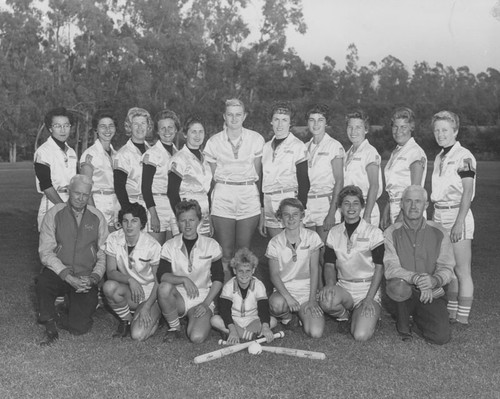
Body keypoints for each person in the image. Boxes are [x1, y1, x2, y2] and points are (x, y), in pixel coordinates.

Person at [36, 174, 108, 345]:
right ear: (69, 191)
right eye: (77, 193)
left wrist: (93, 278)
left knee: (79, 328)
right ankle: (49, 322)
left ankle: (65, 310)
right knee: (43, 282)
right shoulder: (54, 213)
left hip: (84, 278)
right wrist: (67, 276)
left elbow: (103, 254)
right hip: (59, 273)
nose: (81, 199)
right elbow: (45, 252)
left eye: (85, 195)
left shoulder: (97, 217)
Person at [384, 185, 455, 344]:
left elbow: (447, 268)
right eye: (408, 201)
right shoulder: (391, 232)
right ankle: (403, 322)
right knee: (398, 285)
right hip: (404, 290)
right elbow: (391, 268)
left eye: (418, 201)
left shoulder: (440, 232)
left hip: (431, 292)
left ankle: (416, 320)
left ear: (426, 205)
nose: (413, 206)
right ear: (402, 204)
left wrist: (434, 281)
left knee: (440, 337)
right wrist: (416, 278)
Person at [204, 99, 265, 280]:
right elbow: (212, 179)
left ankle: (243, 295)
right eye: (230, 114)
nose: (234, 118)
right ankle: (226, 294)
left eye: (238, 114)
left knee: (244, 250)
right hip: (224, 193)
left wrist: (261, 206)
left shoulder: (256, 139)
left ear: (244, 116)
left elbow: (259, 174)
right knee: (226, 250)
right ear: (224, 116)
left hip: (248, 193)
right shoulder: (214, 141)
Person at [319, 185, 384, 341]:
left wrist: (369, 298)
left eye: (355, 203)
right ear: (340, 207)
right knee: (326, 301)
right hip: (345, 287)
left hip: (367, 288)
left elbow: (380, 268)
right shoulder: (334, 232)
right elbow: (328, 264)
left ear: (362, 206)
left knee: (360, 335)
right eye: (346, 203)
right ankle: (344, 317)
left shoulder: (373, 232)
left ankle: (367, 315)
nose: (351, 207)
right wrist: (329, 284)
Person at [431, 111, 476, 325]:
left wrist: (459, 222)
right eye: (437, 130)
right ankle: (451, 313)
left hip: (458, 213)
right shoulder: (440, 156)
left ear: (455, 131)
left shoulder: (464, 156)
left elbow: (467, 192)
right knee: (448, 268)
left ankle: (463, 318)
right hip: (439, 214)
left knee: (462, 269)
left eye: (445, 130)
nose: (441, 134)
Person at [157, 200, 224, 343]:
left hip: (202, 296)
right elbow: (162, 275)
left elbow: (219, 278)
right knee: (164, 288)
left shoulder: (211, 245)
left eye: (192, 220)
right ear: (177, 222)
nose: (187, 225)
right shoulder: (169, 245)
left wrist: (206, 304)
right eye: (183, 220)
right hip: (178, 295)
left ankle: (196, 319)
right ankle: (174, 327)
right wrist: (183, 279)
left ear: (199, 220)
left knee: (197, 337)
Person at [102, 203, 162, 341]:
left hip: (151, 294)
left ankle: (156, 316)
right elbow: (110, 272)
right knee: (109, 287)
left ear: (142, 224)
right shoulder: (113, 238)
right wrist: (130, 280)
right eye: (125, 221)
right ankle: (127, 320)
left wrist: (147, 306)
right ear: (120, 223)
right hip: (131, 290)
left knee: (138, 335)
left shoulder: (152, 245)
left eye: (134, 221)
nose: (129, 225)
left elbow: (159, 281)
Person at [267, 198, 324, 338]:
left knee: (315, 333)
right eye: (286, 214)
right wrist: (289, 298)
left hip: (306, 290)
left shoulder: (312, 237)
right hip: (284, 291)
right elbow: (274, 275)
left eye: (295, 214)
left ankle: (302, 314)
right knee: (276, 305)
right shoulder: (274, 243)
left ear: (302, 216)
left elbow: (315, 269)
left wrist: (312, 299)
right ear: (280, 217)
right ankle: (287, 318)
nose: (291, 218)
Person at [260, 102, 310, 238]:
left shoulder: (298, 146)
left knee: (294, 247)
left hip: (289, 201)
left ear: (290, 123)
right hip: (269, 201)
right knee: (277, 247)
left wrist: (300, 210)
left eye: (284, 120)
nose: (280, 124)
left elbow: (304, 181)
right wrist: (263, 211)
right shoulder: (265, 147)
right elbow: (261, 180)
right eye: (276, 119)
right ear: (271, 121)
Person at [211, 248, 277, 344]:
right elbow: (225, 311)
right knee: (215, 320)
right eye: (240, 271)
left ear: (253, 270)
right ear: (234, 270)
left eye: (248, 270)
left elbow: (263, 308)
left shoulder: (259, 285)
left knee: (273, 321)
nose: (244, 274)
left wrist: (266, 327)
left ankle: (234, 333)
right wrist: (232, 329)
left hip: (252, 320)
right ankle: (249, 335)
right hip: (234, 320)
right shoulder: (228, 286)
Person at [303, 104, 344, 240]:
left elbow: (339, 181)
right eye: (312, 120)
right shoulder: (304, 147)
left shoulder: (334, 146)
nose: (315, 124)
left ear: (326, 122)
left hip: (326, 205)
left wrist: (332, 212)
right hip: (307, 206)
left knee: (325, 254)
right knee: (309, 251)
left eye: (320, 120)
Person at [381, 107, 427, 229]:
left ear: (411, 128)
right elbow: (393, 186)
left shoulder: (415, 152)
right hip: (395, 207)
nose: (398, 131)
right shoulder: (397, 151)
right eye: (395, 126)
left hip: (409, 211)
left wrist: (402, 216)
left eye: (403, 127)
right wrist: (387, 209)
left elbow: (415, 190)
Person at [34, 107, 78, 231]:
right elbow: (46, 186)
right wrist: (64, 209)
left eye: (66, 125)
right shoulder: (43, 152)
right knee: (52, 249)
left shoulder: (71, 152)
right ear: (50, 128)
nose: (63, 130)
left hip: (71, 203)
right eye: (58, 126)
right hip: (52, 204)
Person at [168, 116, 212, 236]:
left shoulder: (205, 158)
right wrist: (183, 217)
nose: (197, 135)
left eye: (200, 131)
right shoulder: (179, 158)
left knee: (203, 252)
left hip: (204, 214)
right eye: (193, 131)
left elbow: (207, 191)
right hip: (186, 214)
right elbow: (172, 192)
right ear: (185, 134)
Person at [142, 109, 180, 244]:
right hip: (157, 205)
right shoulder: (152, 154)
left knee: (173, 253)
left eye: (170, 127)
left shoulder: (179, 154)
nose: (167, 131)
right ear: (157, 131)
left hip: (175, 207)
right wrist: (153, 215)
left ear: (176, 130)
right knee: (155, 253)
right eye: (162, 128)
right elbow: (145, 187)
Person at [80, 109, 120, 231]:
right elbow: (85, 188)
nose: (107, 130)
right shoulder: (90, 155)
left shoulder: (117, 154)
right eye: (103, 126)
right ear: (96, 129)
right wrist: (94, 214)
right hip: (98, 204)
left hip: (116, 204)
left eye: (111, 126)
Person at [343, 110, 383, 226]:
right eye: (350, 127)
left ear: (366, 129)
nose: (353, 131)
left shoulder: (369, 152)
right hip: (350, 209)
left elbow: (374, 186)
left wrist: (367, 215)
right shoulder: (347, 153)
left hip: (365, 208)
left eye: (358, 127)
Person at [114, 107, 152, 210]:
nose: (140, 127)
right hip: (131, 205)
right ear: (129, 127)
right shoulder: (123, 154)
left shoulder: (154, 152)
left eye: (143, 123)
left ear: (148, 126)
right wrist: (128, 210)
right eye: (136, 124)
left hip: (151, 206)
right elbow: (119, 187)